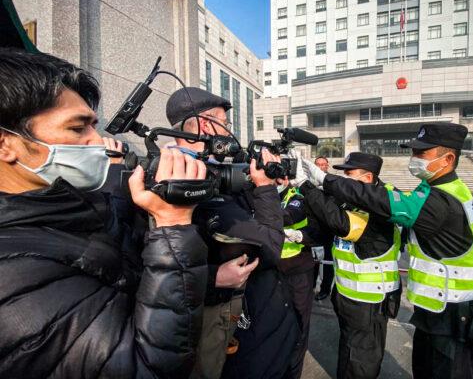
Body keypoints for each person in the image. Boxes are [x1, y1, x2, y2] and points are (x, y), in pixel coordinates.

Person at [0, 48, 209, 378]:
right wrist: (173, 224)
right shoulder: (10, 279)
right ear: (5, 144)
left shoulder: (71, 207)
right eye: (77, 128)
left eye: (94, 126)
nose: (99, 141)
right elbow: (144, 369)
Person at [299, 123, 473, 379]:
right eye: (413, 153)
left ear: (448, 158)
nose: (414, 159)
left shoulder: (442, 199)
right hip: (439, 311)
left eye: (421, 154)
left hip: (458, 317)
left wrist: (324, 180)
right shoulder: (432, 189)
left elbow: (381, 201)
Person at [165, 87, 297, 379]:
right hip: (201, 321)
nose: (229, 132)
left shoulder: (210, 170)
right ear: (204, 125)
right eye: (225, 124)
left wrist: (266, 184)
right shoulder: (185, 178)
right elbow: (271, 248)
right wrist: (264, 189)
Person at [296, 152, 402, 379]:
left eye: (349, 174)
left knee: (361, 360)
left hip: (369, 300)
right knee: (348, 351)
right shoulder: (355, 200)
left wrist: (305, 186)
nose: (343, 178)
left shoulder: (383, 203)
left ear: (367, 178)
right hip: (347, 294)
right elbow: (324, 218)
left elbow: (341, 223)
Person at [276, 177, 321, 378]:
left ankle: (292, 371)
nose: (276, 179)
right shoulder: (257, 195)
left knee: (298, 323)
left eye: (280, 175)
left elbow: (288, 216)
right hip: (270, 269)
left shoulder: (297, 198)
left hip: (297, 270)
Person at [313, 155, 336, 301]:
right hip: (312, 228)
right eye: (318, 164)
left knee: (327, 261)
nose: (321, 167)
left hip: (328, 229)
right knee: (313, 260)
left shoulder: (333, 182)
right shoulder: (307, 180)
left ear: (327, 166)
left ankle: (325, 289)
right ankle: (310, 286)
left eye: (323, 164)